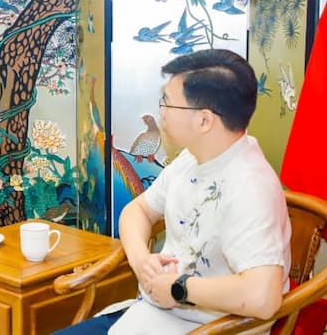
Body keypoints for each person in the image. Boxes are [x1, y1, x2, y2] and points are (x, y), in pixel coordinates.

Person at [54, 49, 291, 334]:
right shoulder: (193, 158)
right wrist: (142, 262)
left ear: (204, 120)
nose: (161, 112)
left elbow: (263, 297)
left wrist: (179, 288)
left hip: (213, 327)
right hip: (155, 313)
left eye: (167, 102)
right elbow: (138, 211)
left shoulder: (250, 187)